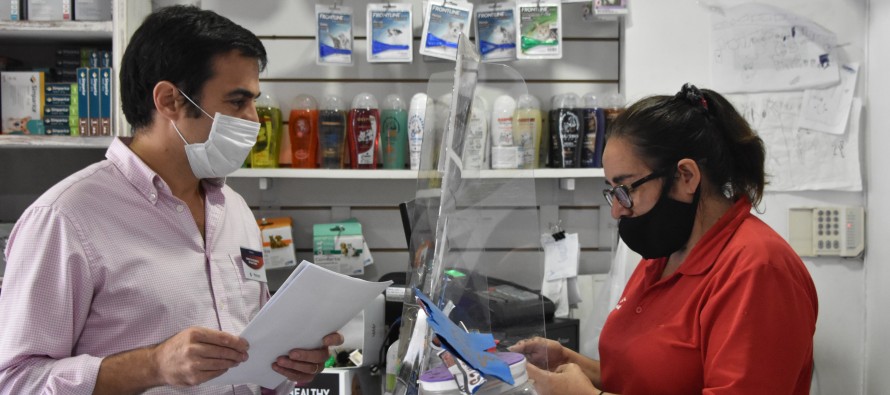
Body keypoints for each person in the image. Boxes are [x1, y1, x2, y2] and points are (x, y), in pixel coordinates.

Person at [0, 6, 341, 394]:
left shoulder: (234, 210)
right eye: (236, 102)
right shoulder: (64, 218)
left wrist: (287, 363)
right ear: (169, 100)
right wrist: (152, 365)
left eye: (253, 102)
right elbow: (16, 380)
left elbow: (250, 359)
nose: (254, 120)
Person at [510, 83, 818, 395]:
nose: (616, 210)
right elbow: (653, 377)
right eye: (611, 192)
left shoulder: (759, 270)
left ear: (686, 176)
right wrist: (573, 363)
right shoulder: (665, 254)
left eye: (626, 189)